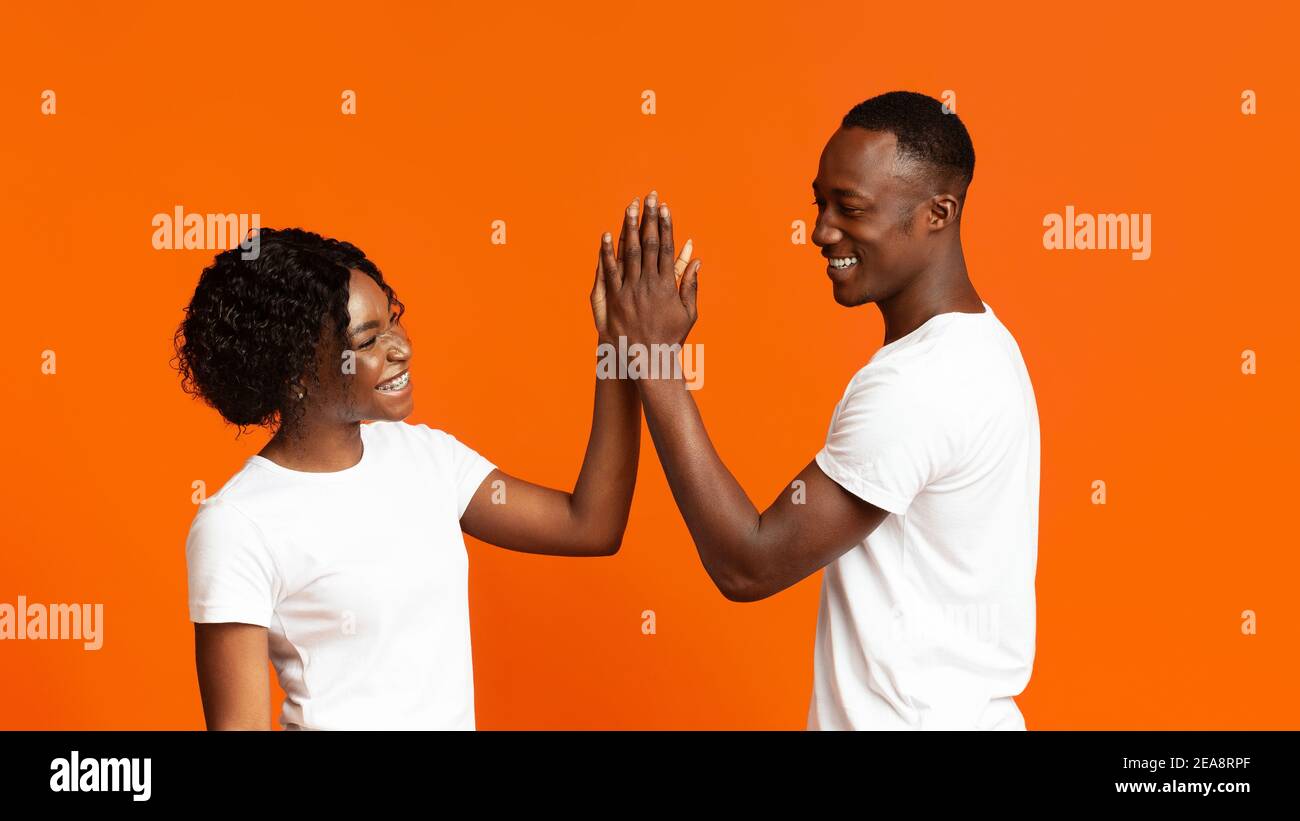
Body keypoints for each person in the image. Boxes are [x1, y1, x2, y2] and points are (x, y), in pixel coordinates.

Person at [600, 91, 1040, 730]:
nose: (821, 230)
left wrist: (655, 361)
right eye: (820, 202)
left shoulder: (921, 384)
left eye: (851, 208)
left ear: (937, 213)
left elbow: (748, 563)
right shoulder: (979, 347)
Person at [176, 216, 693, 730]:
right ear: (295, 376)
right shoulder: (238, 522)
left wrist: (619, 349)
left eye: (393, 319)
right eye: (367, 341)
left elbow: (592, 525)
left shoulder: (426, 458)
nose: (401, 348)